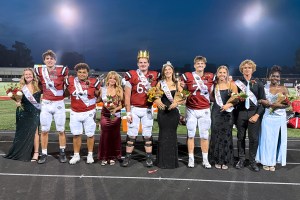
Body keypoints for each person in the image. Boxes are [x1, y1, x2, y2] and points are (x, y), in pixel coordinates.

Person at [122, 50, 160, 167]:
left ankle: (148, 157)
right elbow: (127, 95)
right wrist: (128, 112)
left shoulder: (155, 75)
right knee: (132, 134)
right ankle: (127, 157)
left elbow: (158, 91)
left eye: (145, 62)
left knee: (147, 134)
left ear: (149, 63)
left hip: (147, 109)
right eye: (140, 62)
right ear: (137, 64)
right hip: (134, 108)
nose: (143, 64)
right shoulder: (132, 74)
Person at [34, 50, 69, 164]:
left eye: (51, 58)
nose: (49, 60)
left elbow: (68, 85)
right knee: (44, 130)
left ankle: (62, 152)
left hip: (59, 104)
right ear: (44, 61)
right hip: (46, 103)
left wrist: (63, 95)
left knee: (61, 130)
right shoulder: (39, 71)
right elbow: (38, 85)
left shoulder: (62, 70)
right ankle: (44, 153)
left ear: (55, 60)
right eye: (47, 58)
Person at [181, 56, 214, 168]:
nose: (200, 65)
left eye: (202, 63)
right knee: (190, 134)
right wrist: (182, 92)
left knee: (204, 136)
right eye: (198, 63)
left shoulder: (210, 77)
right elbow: (182, 89)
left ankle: (205, 159)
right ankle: (191, 159)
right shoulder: (188, 76)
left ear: (205, 65)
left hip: (204, 109)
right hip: (191, 109)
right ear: (194, 65)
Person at [65, 63, 101, 164]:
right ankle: (76, 155)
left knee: (90, 134)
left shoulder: (94, 81)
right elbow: (66, 92)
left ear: (87, 73)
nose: (82, 74)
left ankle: (90, 154)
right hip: (75, 112)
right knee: (76, 134)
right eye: (80, 72)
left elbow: (99, 96)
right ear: (76, 73)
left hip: (89, 112)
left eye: (84, 72)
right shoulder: (71, 80)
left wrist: (96, 99)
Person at [256, 65, 289, 171]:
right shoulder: (264, 87)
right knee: (266, 139)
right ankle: (266, 161)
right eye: (273, 76)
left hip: (279, 118)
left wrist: (276, 105)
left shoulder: (284, 88)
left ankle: (273, 162)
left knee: (276, 140)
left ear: (280, 78)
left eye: (277, 76)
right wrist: (262, 101)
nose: (275, 78)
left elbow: (287, 104)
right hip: (267, 116)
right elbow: (259, 100)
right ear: (269, 77)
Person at [4, 68, 41, 162]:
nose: (28, 76)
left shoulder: (38, 85)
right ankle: (22, 152)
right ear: (23, 76)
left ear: (33, 75)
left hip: (34, 112)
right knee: (22, 132)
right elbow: (18, 99)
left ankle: (36, 153)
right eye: (26, 74)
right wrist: (17, 101)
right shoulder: (21, 87)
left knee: (35, 131)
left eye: (30, 74)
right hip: (23, 112)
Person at [235, 59, 265, 172]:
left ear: (253, 69)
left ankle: (252, 161)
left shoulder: (259, 83)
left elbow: (263, 102)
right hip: (241, 113)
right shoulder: (237, 83)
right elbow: (233, 99)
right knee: (240, 138)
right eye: (245, 67)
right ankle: (241, 159)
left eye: (249, 67)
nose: (247, 69)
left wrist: (257, 115)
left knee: (254, 139)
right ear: (242, 69)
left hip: (254, 113)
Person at [154, 61, 184, 169]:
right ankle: (162, 161)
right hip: (163, 112)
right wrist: (158, 101)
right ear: (163, 72)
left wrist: (176, 103)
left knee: (172, 135)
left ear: (172, 71)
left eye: (169, 69)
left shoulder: (177, 83)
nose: (167, 71)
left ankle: (172, 162)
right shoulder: (160, 83)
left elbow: (184, 97)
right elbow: (156, 96)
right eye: (165, 70)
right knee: (163, 134)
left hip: (173, 113)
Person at [208, 66, 238, 169]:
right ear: (217, 73)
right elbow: (212, 99)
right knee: (216, 135)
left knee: (226, 135)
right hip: (216, 113)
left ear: (227, 74)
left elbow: (237, 99)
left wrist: (228, 105)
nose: (222, 74)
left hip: (228, 113)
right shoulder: (214, 86)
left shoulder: (232, 85)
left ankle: (225, 160)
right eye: (220, 72)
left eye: (224, 72)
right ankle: (216, 159)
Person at [98, 71, 123, 166]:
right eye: (110, 78)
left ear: (117, 80)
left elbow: (122, 105)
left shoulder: (119, 90)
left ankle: (112, 157)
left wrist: (115, 109)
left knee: (114, 136)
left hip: (116, 116)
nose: (112, 80)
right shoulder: (102, 89)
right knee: (105, 136)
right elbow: (98, 100)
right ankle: (104, 157)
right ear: (107, 79)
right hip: (105, 115)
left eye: (114, 78)